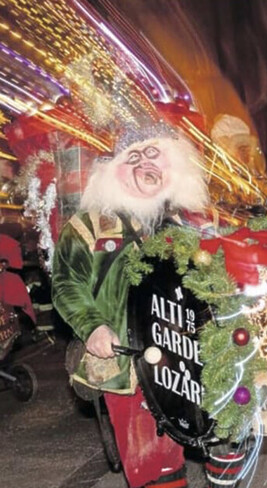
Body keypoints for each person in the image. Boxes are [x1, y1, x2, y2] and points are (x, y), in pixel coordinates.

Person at [52, 125, 245, 488]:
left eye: (153, 153)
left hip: (199, 355)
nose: (144, 165)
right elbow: (66, 283)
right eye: (133, 157)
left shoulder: (198, 220)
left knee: (228, 436)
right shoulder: (90, 224)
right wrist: (92, 326)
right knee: (153, 462)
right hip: (128, 362)